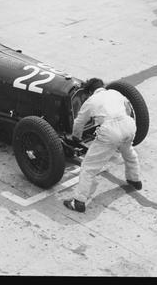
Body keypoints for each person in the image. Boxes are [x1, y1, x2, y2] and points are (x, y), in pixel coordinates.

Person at [63, 78, 142, 213]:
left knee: (88, 167)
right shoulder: (115, 93)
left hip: (110, 131)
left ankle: (79, 201)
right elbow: (128, 109)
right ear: (103, 86)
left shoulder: (91, 100)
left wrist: (76, 137)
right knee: (128, 151)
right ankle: (135, 180)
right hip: (129, 125)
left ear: (89, 92)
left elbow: (79, 122)